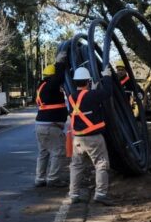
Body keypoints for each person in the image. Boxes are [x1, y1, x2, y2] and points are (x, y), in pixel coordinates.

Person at [68, 65, 115, 205]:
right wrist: (106, 76)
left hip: (77, 139)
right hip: (93, 138)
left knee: (76, 166)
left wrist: (92, 90)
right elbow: (107, 92)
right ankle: (100, 194)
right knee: (101, 164)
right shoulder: (92, 96)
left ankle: (74, 194)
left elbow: (85, 103)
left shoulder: (71, 97)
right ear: (88, 81)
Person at [34, 52, 69, 187]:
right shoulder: (51, 84)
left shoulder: (42, 86)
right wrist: (60, 62)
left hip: (41, 125)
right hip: (51, 126)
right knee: (58, 151)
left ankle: (40, 179)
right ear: (52, 76)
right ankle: (53, 179)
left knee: (43, 152)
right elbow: (59, 76)